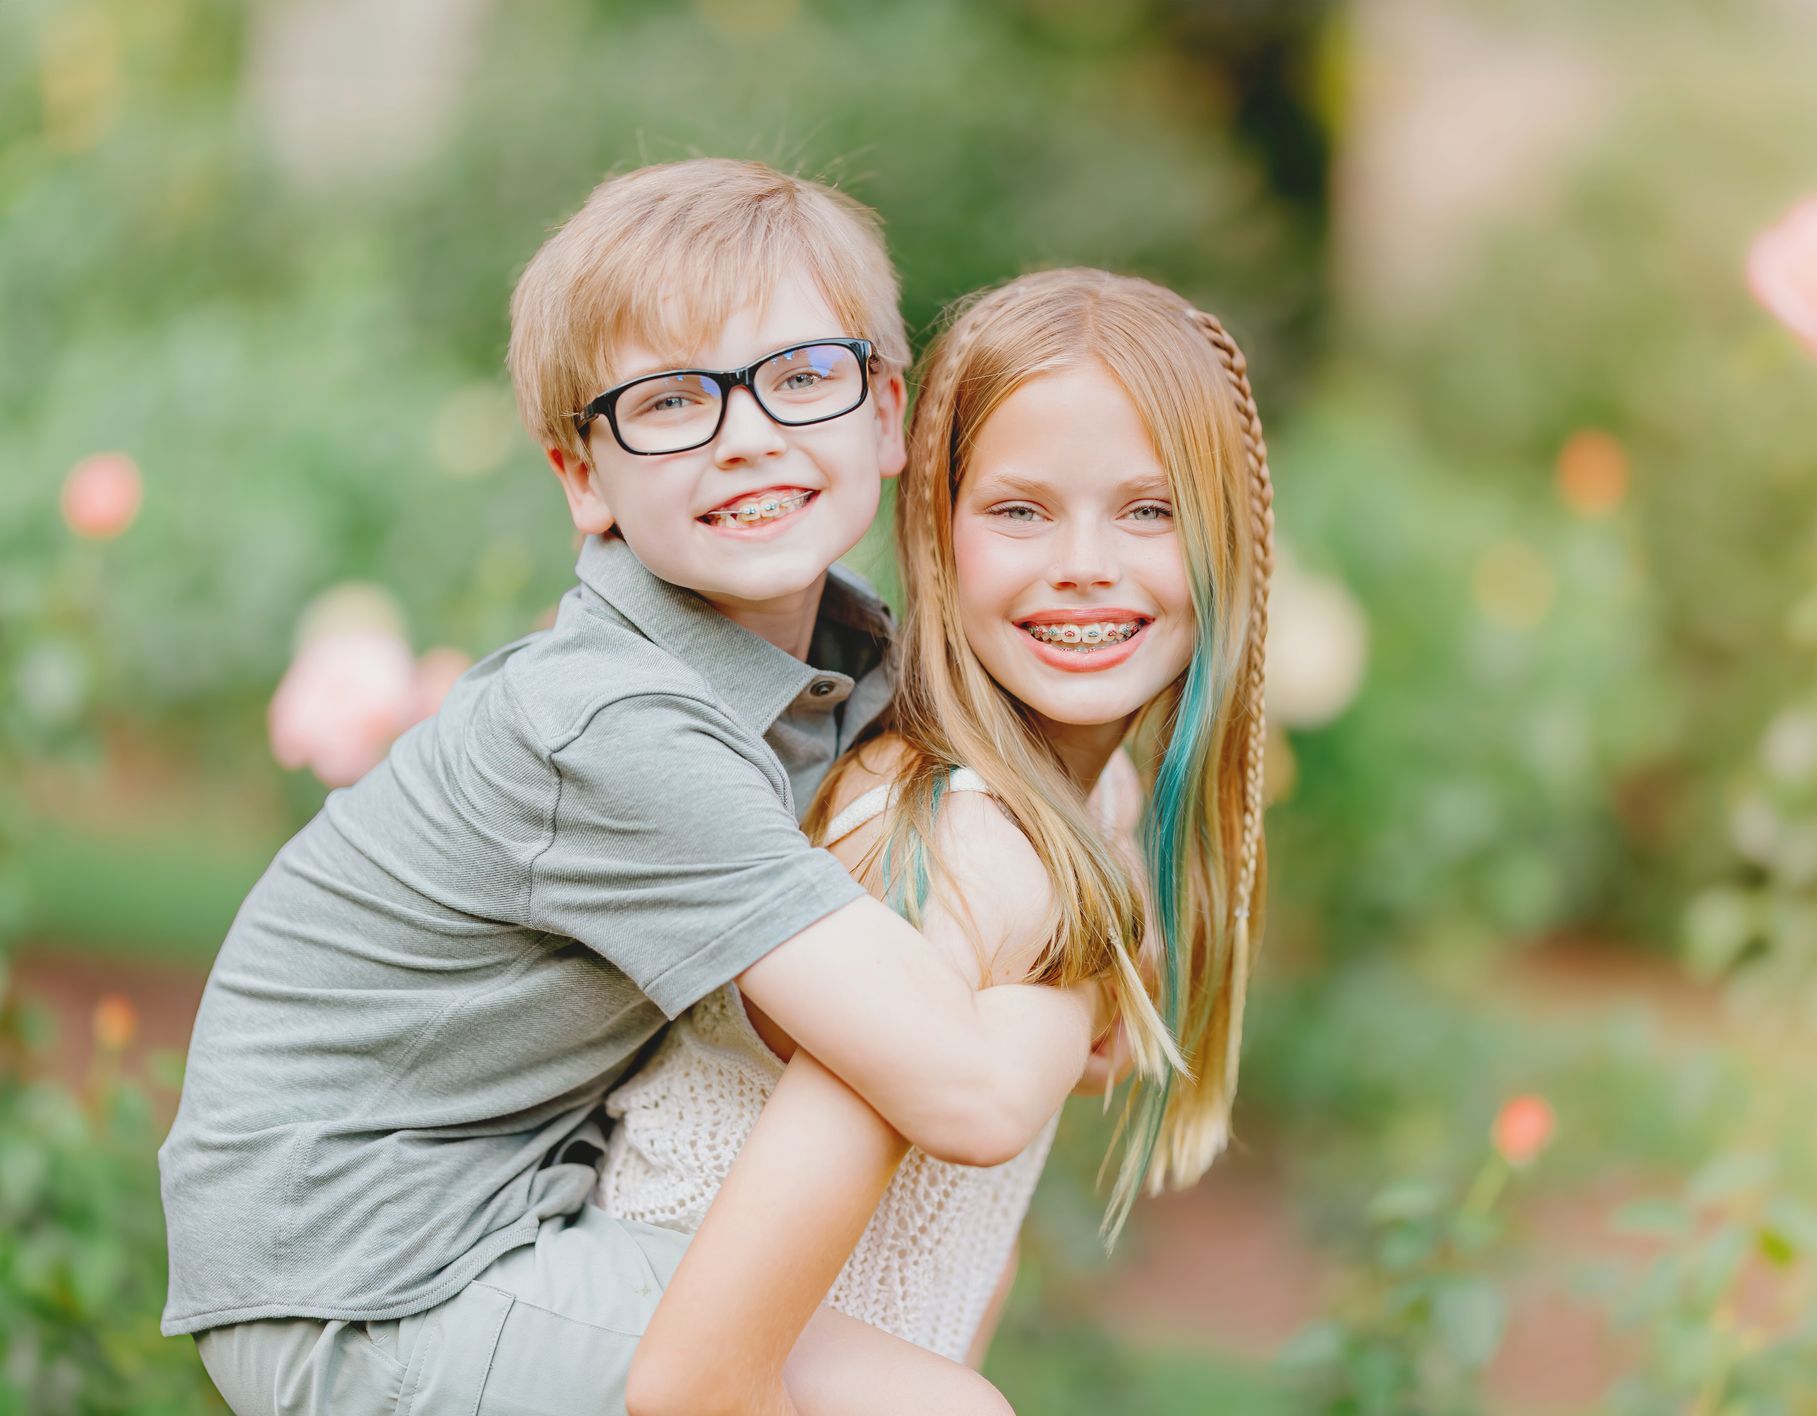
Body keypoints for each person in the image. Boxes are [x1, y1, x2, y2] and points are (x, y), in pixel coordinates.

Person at [157, 160, 1106, 1416]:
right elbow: (971, 1094)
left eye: (802, 374)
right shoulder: (610, 729)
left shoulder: (848, 655)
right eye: (668, 402)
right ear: (582, 479)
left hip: (506, 1207)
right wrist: (1075, 984)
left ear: (886, 412)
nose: (749, 433)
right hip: (365, 1278)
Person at [604, 267, 1276, 1416]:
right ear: (939, 531)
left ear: (1231, 538)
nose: (1084, 562)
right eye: (1019, 510)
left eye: (1149, 509)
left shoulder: (1090, 807)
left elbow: (946, 1269)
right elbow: (696, 1379)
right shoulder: (953, 846)